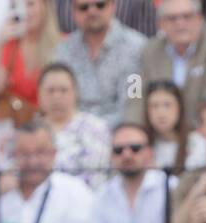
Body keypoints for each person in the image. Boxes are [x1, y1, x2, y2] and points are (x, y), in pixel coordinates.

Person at [0, 118, 101, 223]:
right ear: (13, 155)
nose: (33, 162)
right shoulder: (0, 191)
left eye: (40, 152)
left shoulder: (74, 190)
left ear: (53, 154)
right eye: (25, 154)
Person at [121, 0, 206, 127]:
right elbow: (135, 92)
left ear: (200, 19)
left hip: (200, 129)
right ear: (161, 24)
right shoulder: (149, 50)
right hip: (158, 131)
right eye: (172, 18)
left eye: (187, 16)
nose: (180, 23)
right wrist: (133, 127)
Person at [89, 122, 170, 223]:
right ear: (111, 156)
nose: (127, 155)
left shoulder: (170, 187)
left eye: (135, 148)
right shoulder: (103, 195)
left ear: (149, 152)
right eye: (118, 150)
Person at [54, 0, 146, 129]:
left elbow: (133, 103)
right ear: (73, 12)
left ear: (113, 6)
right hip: (72, 133)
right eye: (83, 7)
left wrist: (96, 131)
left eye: (100, 5)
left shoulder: (135, 48)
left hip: (121, 136)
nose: (92, 11)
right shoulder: (64, 50)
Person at [0, 0, 62, 134]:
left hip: (52, 130)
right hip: (14, 131)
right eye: (18, 6)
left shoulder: (62, 45)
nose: (26, 12)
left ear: (45, 6)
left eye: (31, 4)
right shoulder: (10, 45)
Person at [35, 63, 110, 189]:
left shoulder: (96, 128)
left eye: (63, 90)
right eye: (50, 91)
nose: (56, 96)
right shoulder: (30, 131)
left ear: (75, 92)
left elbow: (97, 177)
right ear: (39, 94)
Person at [143, 79, 189, 171]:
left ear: (180, 108)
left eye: (167, 105)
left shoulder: (195, 142)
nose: (161, 113)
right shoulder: (139, 146)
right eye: (154, 106)